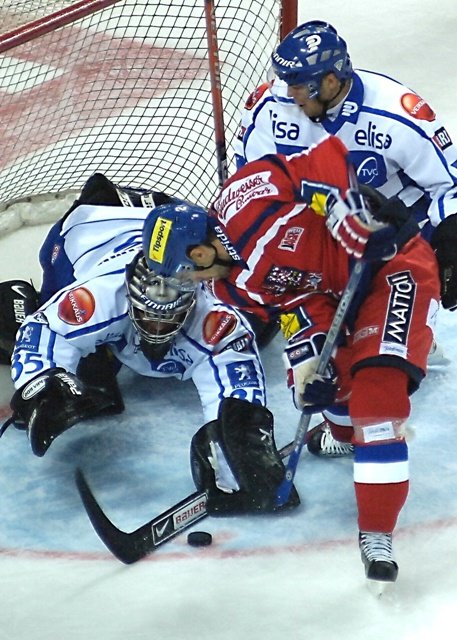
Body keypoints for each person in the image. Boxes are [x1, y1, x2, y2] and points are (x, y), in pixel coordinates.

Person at [145, 134, 440, 584]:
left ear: (199, 252)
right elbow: (297, 309)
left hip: (393, 265)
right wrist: (308, 368)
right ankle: (344, 436)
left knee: (376, 400)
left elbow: (324, 159)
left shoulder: (243, 201)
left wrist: (350, 218)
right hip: (338, 294)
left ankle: (377, 532)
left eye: (186, 273)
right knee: (329, 383)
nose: (191, 284)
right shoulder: (229, 287)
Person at [0, 174, 299, 514]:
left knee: (260, 326)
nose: (157, 328)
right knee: (90, 378)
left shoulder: (215, 316)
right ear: (130, 294)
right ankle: (14, 301)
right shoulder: (103, 294)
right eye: (148, 314)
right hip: (94, 225)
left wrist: (240, 447)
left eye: (168, 317)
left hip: (168, 223)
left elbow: (236, 393)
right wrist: (41, 382)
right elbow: (46, 329)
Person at [233, 19, 457, 455]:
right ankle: (344, 421)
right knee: (326, 344)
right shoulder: (270, 109)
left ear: (332, 80)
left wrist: (451, 244)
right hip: (322, 237)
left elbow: (450, 182)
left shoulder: (396, 113)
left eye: (300, 84)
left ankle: (404, 338)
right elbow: (251, 183)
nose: (289, 93)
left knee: (383, 330)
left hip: (397, 233)